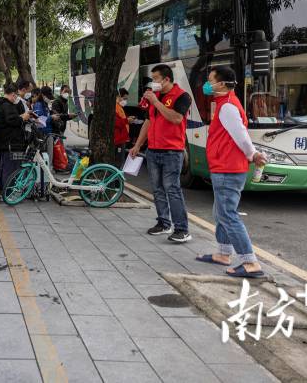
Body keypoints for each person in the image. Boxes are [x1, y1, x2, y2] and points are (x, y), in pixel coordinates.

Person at [196, 66, 267, 278]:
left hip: (228, 168)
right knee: (221, 213)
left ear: (222, 84)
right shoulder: (224, 104)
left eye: (210, 80)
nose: (207, 85)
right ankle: (223, 253)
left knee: (228, 215)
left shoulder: (227, 106)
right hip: (224, 166)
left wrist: (253, 154)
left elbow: (241, 136)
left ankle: (250, 262)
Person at [129, 64, 192, 243]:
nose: (153, 82)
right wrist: (138, 145)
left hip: (172, 151)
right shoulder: (154, 96)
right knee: (157, 189)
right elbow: (148, 122)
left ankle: (182, 229)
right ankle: (164, 223)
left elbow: (176, 118)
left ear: (166, 79)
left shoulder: (182, 96)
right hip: (153, 150)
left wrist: (156, 102)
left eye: (156, 78)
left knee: (172, 189)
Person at [0, 83, 34, 188]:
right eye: (16, 95)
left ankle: (4, 189)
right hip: (10, 143)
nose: (16, 98)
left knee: (6, 167)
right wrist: (22, 118)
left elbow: (9, 119)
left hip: (7, 143)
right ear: (12, 94)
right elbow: (12, 120)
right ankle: (8, 192)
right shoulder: (7, 105)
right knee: (11, 169)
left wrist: (20, 116)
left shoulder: (3, 104)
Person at [114, 88, 136, 167]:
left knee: (120, 161)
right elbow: (115, 122)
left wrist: (128, 119)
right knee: (118, 162)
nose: (125, 101)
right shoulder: (115, 107)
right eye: (124, 98)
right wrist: (127, 120)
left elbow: (121, 119)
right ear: (119, 96)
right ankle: (116, 178)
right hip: (118, 139)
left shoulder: (119, 107)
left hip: (121, 138)